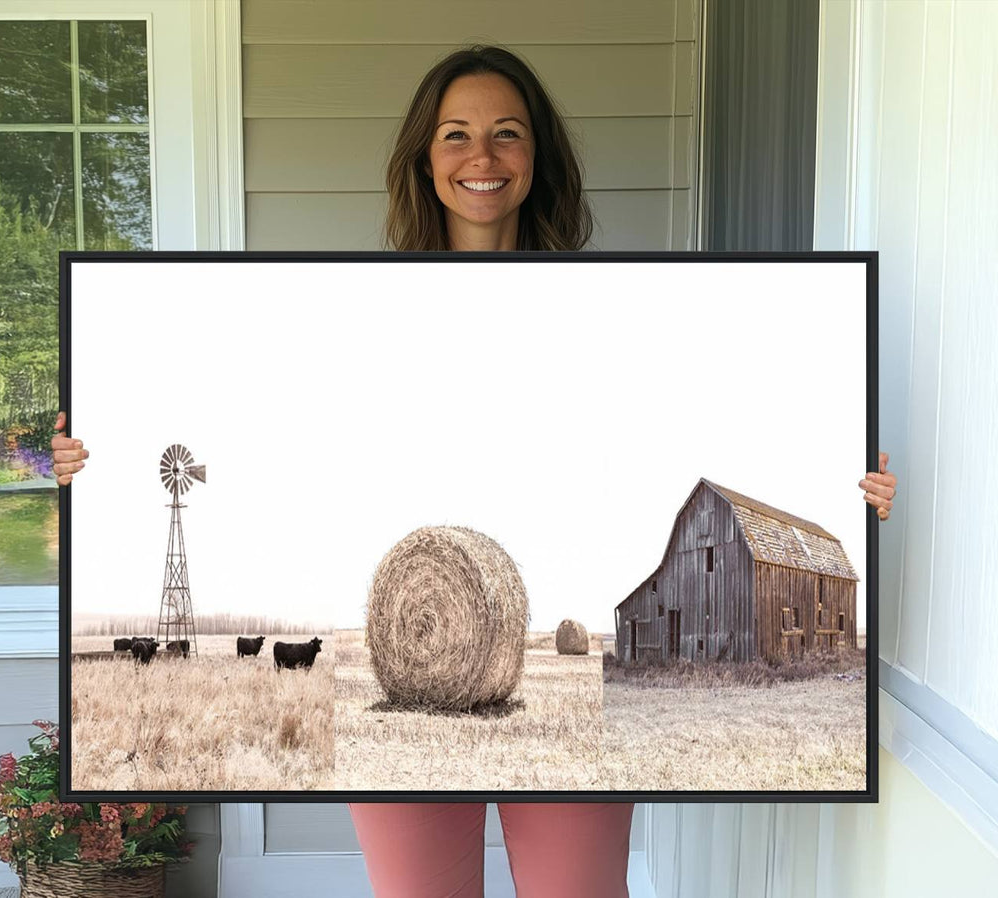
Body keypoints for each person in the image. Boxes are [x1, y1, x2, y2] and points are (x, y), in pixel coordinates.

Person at [52, 44, 897, 898]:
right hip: (402, 669)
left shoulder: (622, 312)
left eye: (507, 134)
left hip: (558, 674)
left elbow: (700, 420)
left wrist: (845, 483)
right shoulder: (343, 313)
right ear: (425, 157)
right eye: (456, 135)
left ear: (537, 159)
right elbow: (257, 423)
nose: (481, 158)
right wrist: (99, 456)